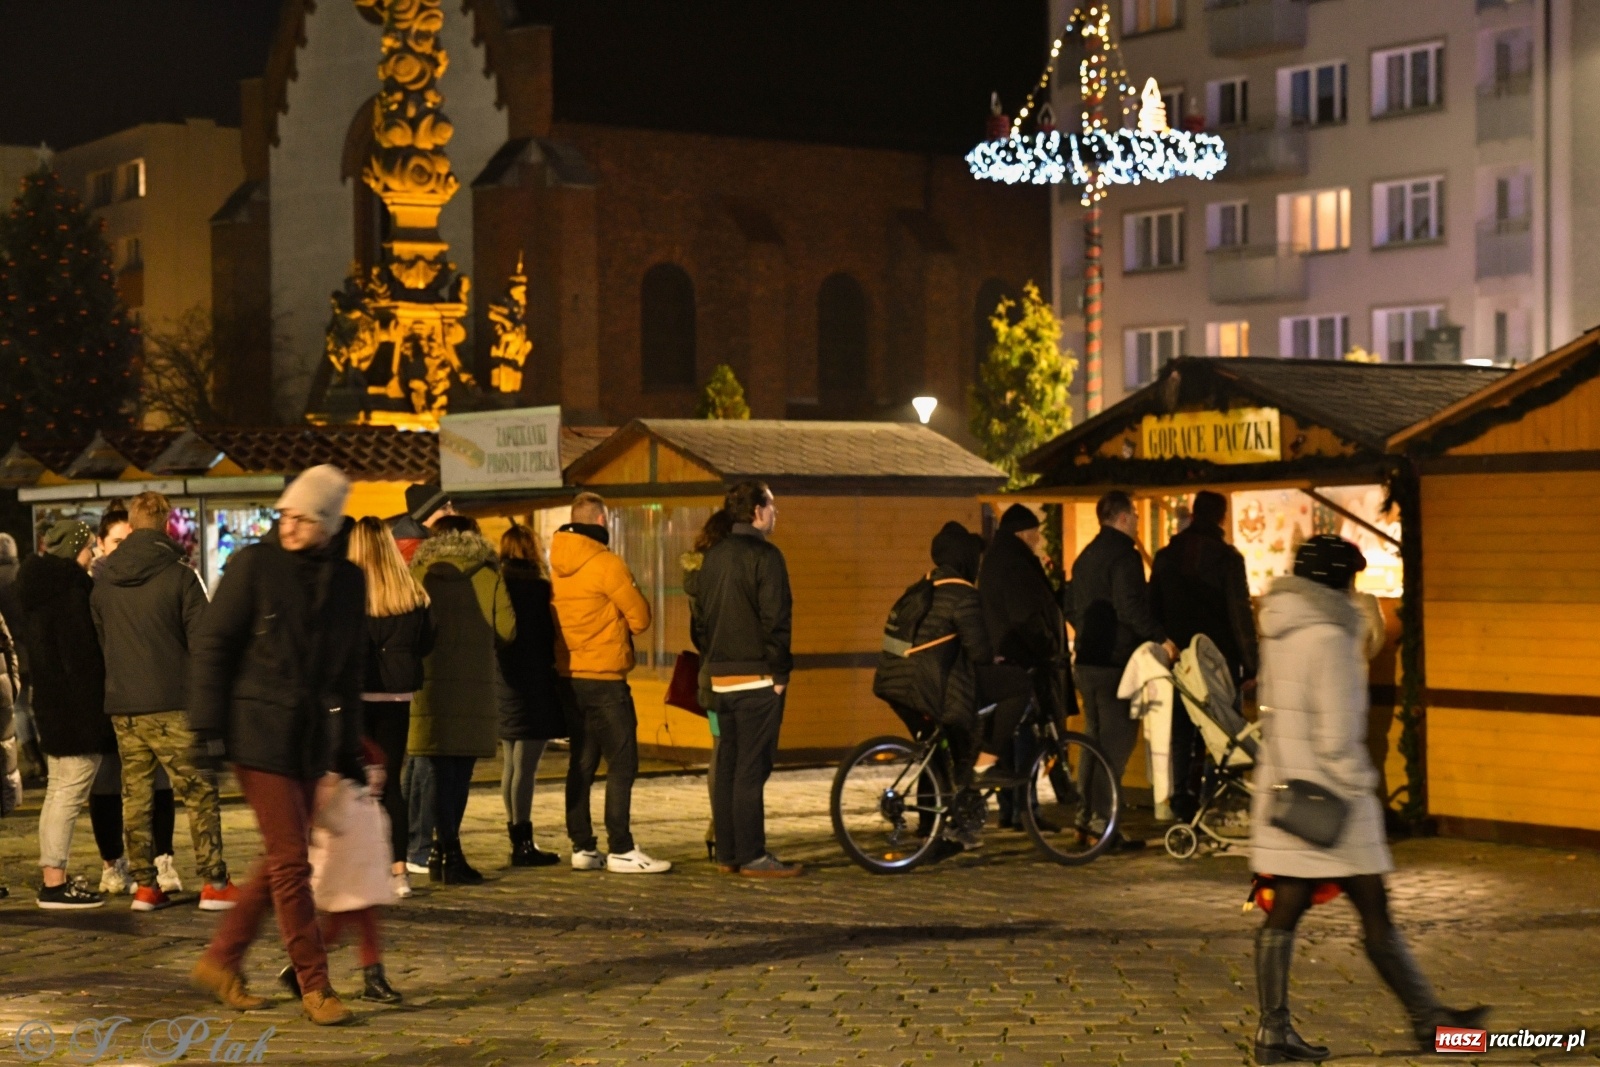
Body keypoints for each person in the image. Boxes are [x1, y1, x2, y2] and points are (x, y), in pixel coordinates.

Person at [1249, 535, 1486, 1063]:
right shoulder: (1331, 636)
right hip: (1334, 801)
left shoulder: (1280, 630)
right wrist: (1361, 787)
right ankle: (1431, 1023)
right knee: (1374, 911)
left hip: (1287, 795)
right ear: (1341, 581)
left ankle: (1273, 1031)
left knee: (1285, 909)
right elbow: (1337, 736)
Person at [189, 464, 368, 1026]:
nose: (290, 526)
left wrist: (349, 751)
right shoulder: (254, 566)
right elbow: (213, 646)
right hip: (257, 729)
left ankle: (221, 960)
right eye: (286, 514)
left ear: (329, 524)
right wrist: (206, 729)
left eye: (305, 518)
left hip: (310, 737)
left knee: (278, 858)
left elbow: (347, 669)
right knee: (292, 861)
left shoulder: (347, 581)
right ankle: (315, 985)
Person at [92, 491, 236, 911]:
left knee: (134, 794)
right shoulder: (181, 576)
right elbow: (205, 643)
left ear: (132, 526)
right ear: (168, 525)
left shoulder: (104, 581)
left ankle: (145, 886)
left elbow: (104, 641)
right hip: (175, 702)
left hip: (124, 704)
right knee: (198, 791)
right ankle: (214, 882)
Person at [550, 491, 665, 874]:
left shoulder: (555, 564)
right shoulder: (607, 564)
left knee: (581, 762)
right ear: (601, 522)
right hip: (605, 677)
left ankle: (582, 846)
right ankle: (621, 847)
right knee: (623, 761)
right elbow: (641, 619)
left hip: (569, 677)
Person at [696, 481, 798, 878]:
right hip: (757, 678)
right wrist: (780, 673)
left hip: (719, 680)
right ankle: (753, 855)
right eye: (771, 505)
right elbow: (776, 619)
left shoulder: (713, 556)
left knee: (727, 767)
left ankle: (728, 854)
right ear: (756, 511)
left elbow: (700, 622)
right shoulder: (766, 557)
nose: (775, 513)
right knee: (751, 769)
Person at [15, 521, 118, 908]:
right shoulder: (71, 592)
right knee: (68, 795)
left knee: (58, 792)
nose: (92, 554)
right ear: (75, 549)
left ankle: (53, 875)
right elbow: (83, 660)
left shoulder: (41, 590)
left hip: (53, 706)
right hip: (77, 711)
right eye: (89, 546)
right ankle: (55, 884)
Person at [407, 514, 515, 885]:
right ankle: (450, 853)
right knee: (459, 774)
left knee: (435, 769)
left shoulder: (417, 572)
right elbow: (507, 629)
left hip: (428, 684)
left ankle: (438, 852)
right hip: (473, 685)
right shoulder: (487, 573)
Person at [1070, 491, 1176, 851]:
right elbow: (1130, 607)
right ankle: (1104, 827)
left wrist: (1086, 634)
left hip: (1086, 661)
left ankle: (1084, 821)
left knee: (1091, 743)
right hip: (1116, 664)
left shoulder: (1086, 556)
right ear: (1124, 517)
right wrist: (1161, 637)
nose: (1136, 521)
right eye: (1134, 514)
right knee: (1114, 746)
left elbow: (1069, 604)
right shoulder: (1124, 557)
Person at [87, 508, 180, 898]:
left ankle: (163, 859)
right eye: (117, 542)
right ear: (100, 546)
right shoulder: (94, 586)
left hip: (147, 694)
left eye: (130, 539)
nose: (126, 549)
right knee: (109, 783)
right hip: (107, 696)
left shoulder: (159, 576)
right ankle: (115, 863)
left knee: (157, 782)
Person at [1149, 490, 1258, 822]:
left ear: (1194, 514)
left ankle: (1182, 796)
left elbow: (1152, 606)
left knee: (1182, 727)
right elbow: (1240, 615)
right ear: (1222, 518)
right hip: (1219, 661)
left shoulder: (1167, 556)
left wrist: (1165, 644)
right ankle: (1223, 799)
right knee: (1224, 727)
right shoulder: (1227, 559)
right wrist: (1252, 664)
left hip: (1179, 658)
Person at [280, 737, 403, 1006]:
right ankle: (305, 969)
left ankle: (371, 976)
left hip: (361, 869)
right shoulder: (338, 788)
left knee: (360, 923)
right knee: (337, 927)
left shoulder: (367, 796)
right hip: (344, 870)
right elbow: (329, 821)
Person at [347, 516, 433, 899]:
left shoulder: (347, 592)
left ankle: (361, 868)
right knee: (391, 782)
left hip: (358, 694)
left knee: (356, 784)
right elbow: (428, 641)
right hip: (397, 696)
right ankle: (399, 871)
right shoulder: (411, 590)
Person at [976, 504, 1069, 827]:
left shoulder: (996, 560)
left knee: (1009, 734)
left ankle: (1009, 808)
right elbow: (1026, 615)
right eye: (1035, 532)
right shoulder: (1016, 563)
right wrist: (1047, 647)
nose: (1039, 538)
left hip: (1003, 658)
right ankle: (1025, 809)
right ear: (1022, 532)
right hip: (1023, 661)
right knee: (1027, 736)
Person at [497, 523, 564, 867]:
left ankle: (516, 834)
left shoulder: (498, 585)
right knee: (526, 766)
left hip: (504, 679)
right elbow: (546, 637)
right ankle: (523, 842)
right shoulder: (538, 587)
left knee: (511, 762)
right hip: (533, 680)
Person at [682, 509, 733, 862]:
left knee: (719, 750)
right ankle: (727, 829)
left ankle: (718, 828)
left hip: (708, 675)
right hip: (734, 676)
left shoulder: (696, 579)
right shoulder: (725, 577)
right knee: (739, 754)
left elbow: (696, 632)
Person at [390, 483, 456, 565]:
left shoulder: (428, 542)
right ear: (425, 514)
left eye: (451, 507)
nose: (453, 513)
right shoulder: (412, 552)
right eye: (444, 508)